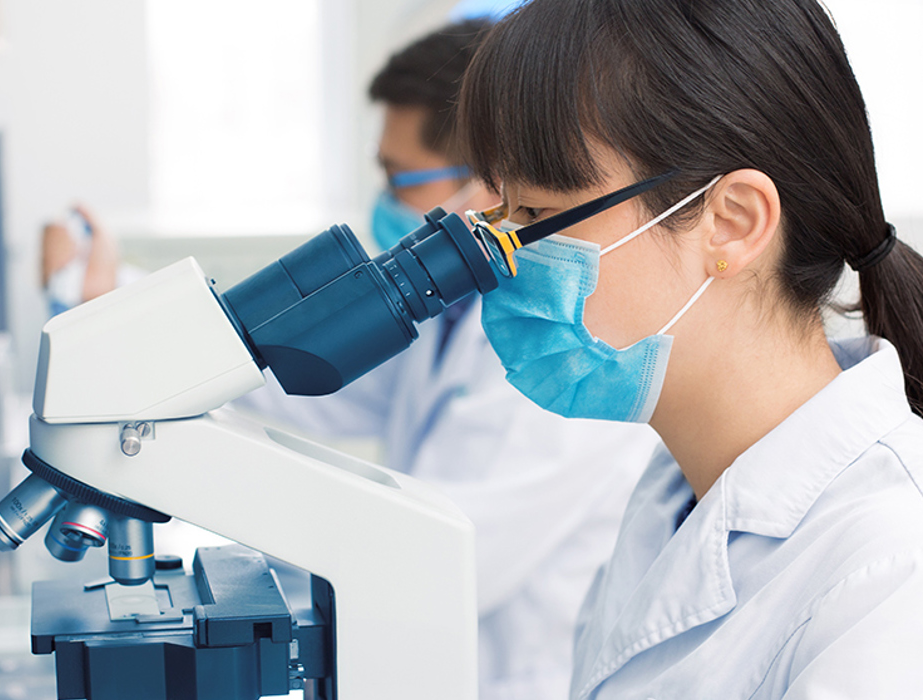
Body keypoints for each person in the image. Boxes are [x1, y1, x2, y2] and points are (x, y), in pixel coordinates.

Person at [456, 1, 923, 698]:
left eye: (535, 215)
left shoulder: (908, 576)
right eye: (501, 212)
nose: (501, 258)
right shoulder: (676, 492)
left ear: (733, 222)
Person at [232, 19, 663, 700]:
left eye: (400, 179)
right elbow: (289, 380)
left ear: (487, 186)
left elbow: (448, 563)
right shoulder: (455, 313)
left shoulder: (562, 352)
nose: (386, 204)